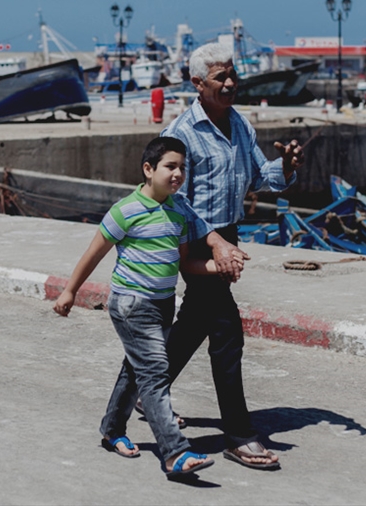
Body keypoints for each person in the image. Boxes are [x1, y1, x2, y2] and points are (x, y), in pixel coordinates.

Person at [161, 42, 304, 471]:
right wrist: (213, 243)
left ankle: (143, 390)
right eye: (220, 77)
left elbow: (260, 176)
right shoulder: (181, 133)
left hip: (227, 234)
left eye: (232, 75)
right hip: (194, 239)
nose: (229, 83)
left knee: (193, 324)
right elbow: (175, 200)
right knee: (226, 332)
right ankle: (239, 436)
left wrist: (286, 166)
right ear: (197, 83)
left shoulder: (240, 124)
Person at [53, 137, 223, 480]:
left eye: (182, 168)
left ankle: (112, 430)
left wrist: (219, 266)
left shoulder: (178, 211)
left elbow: (183, 263)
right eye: (170, 166)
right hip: (131, 304)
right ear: (148, 169)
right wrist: (69, 291)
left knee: (136, 370)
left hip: (163, 304)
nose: (178, 174)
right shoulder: (125, 210)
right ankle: (175, 452)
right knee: (155, 373)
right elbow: (93, 254)